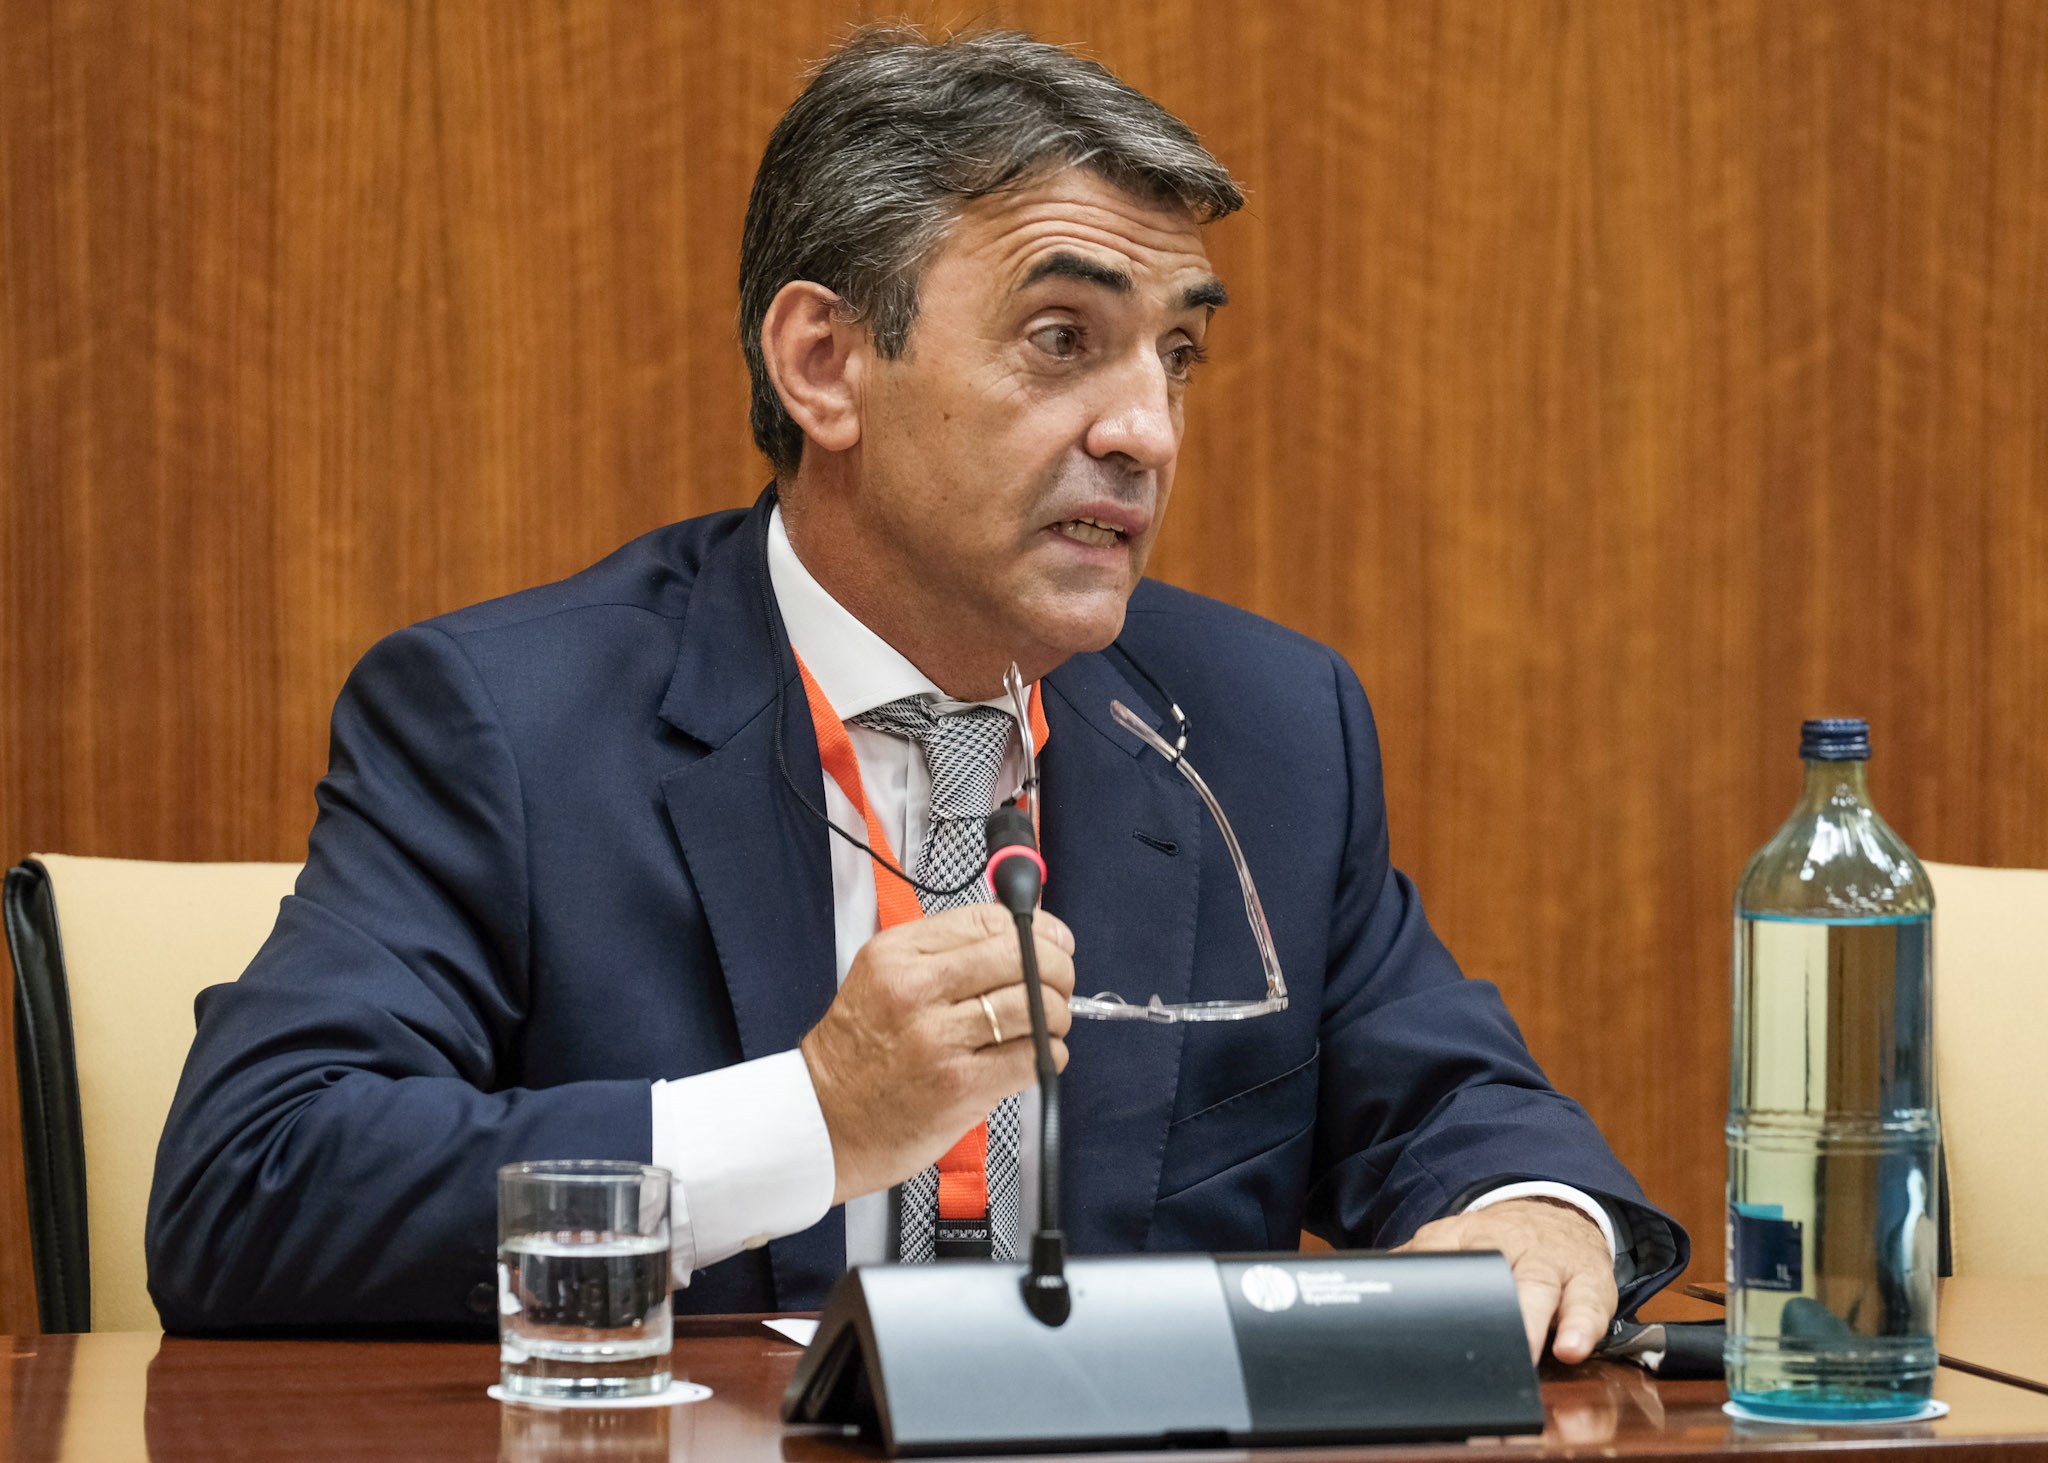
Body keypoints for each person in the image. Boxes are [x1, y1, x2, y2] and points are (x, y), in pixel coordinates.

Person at [147, 27, 1685, 1361]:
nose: (1148, 431)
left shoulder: (1263, 727)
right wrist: (811, 1119)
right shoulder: (511, 723)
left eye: (1177, 354)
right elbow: (250, 1188)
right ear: (826, 364)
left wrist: (1534, 1213)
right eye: (1063, 339)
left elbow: (1460, 1112)